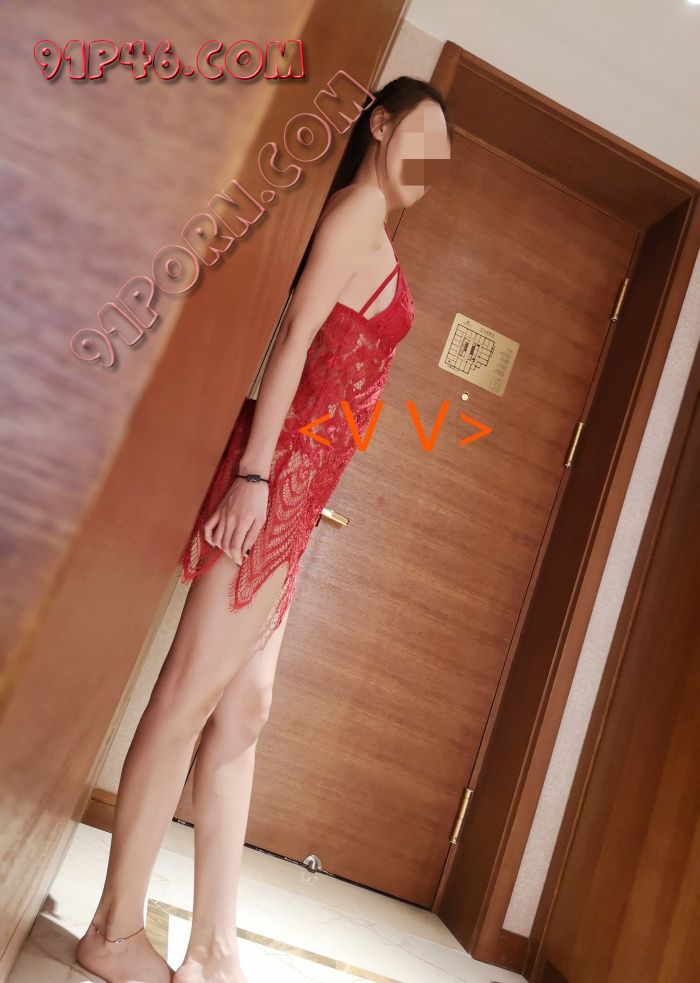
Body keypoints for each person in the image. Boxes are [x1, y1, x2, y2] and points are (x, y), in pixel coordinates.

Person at [75, 75, 452, 983]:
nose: (431, 160)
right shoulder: (357, 213)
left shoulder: (375, 225)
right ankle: (114, 934)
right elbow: (294, 339)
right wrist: (253, 478)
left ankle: (215, 946)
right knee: (186, 700)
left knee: (242, 711)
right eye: (423, 135)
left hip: (298, 495)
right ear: (380, 125)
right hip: (274, 481)